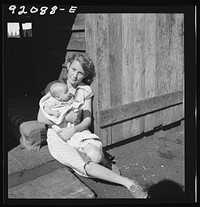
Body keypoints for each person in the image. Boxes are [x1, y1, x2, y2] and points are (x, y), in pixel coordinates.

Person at [37, 53, 148, 198]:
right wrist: (65, 117)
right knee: (84, 163)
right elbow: (40, 117)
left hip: (78, 131)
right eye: (74, 69)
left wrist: (74, 129)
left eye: (80, 73)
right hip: (58, 135)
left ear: (85, 76)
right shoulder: (55, 87)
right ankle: (128, 183)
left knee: (94, 156)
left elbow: (87, 120)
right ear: (68, 66)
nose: (75, 75)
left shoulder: (85, 90)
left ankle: (101, 160)